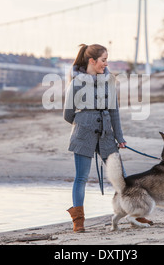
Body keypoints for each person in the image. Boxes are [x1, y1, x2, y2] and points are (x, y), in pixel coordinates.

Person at [63, 43, 127, 233]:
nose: (106, 64)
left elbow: (114, 111)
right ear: (92, 61)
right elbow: (68, 114)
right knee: (81, 178)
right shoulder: (75, 83)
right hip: (83, 134)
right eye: (103, 60)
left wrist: (120, 137)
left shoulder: (110, 81)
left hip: (107, 134)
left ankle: (133, 212)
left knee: (120, 176)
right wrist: (85, 121)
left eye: (107, 60)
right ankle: (78, 221)